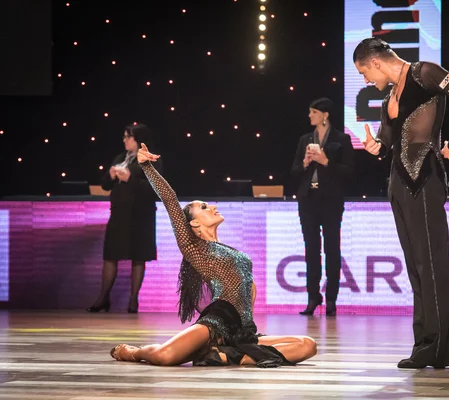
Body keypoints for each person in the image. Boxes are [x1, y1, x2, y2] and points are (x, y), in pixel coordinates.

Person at [109, 144, 317, 367]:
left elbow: (248, 293)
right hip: (216, 324)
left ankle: (227, 355)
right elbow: (169, 199)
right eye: (204, 207)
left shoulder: (231, 251)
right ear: (194, 223)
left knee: (308, 344)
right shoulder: (193, 247)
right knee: (165, 356)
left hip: (243, 332)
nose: (213, 207)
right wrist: (146, 166)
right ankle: (133, 352)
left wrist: (247, 326)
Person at [353, 38, 449, 369]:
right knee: (416, 268)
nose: (365, 80)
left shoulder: (424, 73)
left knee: (432, 264)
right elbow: (389, 142)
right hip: (398, 185)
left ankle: (438, 346)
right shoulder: (388, 100)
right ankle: (424, 343)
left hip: (425, 180)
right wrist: (376, 147)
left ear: (376, 62)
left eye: (364, 72)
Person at [290, 98, 354, 317]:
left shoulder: (341, 139)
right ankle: (312, 296)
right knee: (311, 250)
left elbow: (350, 172)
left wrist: (326, 161)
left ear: (325, 115)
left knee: (332, 249)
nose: (310, 116)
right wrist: (306, 163)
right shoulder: (305, 139)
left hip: (331, 200)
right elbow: (294, 171)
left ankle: (332, 299)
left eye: (314, 112)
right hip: (308, 199)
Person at [87, 123, 160, 313]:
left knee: (138, 257)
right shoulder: (121, 158)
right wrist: (110, 176)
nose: (125, 140)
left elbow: (156, 188)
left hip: (140, 215)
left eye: (129, 137)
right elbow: (104, 185)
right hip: (119, 214)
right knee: (111, 255)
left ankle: (133, 300)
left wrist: (131, 179)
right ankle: (103, 297)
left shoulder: (150, 159)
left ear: (139, 140)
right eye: (125, 137)